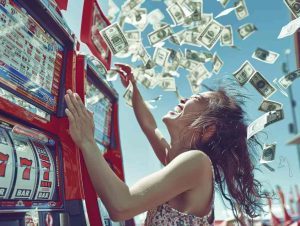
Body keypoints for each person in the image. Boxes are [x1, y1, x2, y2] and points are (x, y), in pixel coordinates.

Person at [64, 64, 265, 225]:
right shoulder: (180, 160)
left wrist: (87, 141)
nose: (184, 98)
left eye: (195, 98)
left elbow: (121, 206)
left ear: (207, 129)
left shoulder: (197, 162)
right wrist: (133, 88)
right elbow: (149, 127)